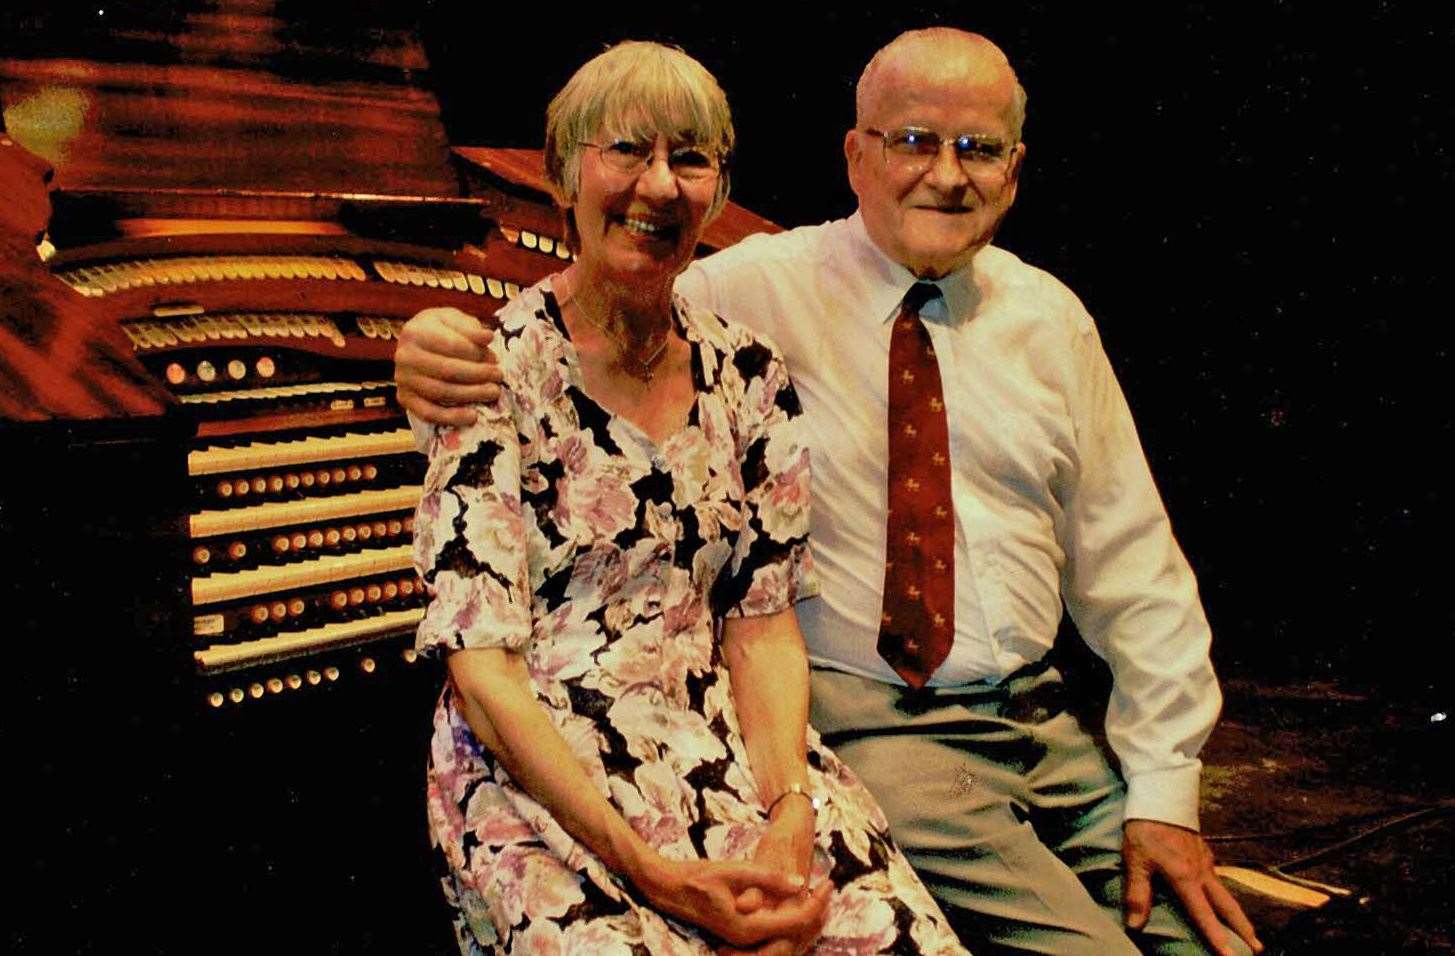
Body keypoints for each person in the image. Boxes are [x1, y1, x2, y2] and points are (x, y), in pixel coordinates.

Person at [399, 29, 1263, 956]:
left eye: (976, 150)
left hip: (1024, 726)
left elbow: (1134, 564)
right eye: (915, 141)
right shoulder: (739, 290)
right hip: (848, 727)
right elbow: (581, 316)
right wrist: (424, 350)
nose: (947, 175)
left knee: (1203, 944)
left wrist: (1165, 792)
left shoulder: (1011, 324)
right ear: (856, 156)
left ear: (1014, 172)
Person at [411, 40, 966, 956]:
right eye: (626, 150)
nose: (659, 186)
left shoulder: (749, 371)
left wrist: (789, 811)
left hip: (720, 743)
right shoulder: (492, 372)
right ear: (560, 175)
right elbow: (483, 674)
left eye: (690, 158)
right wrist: (654, 873)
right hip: (541, 775)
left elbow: (760, 623)